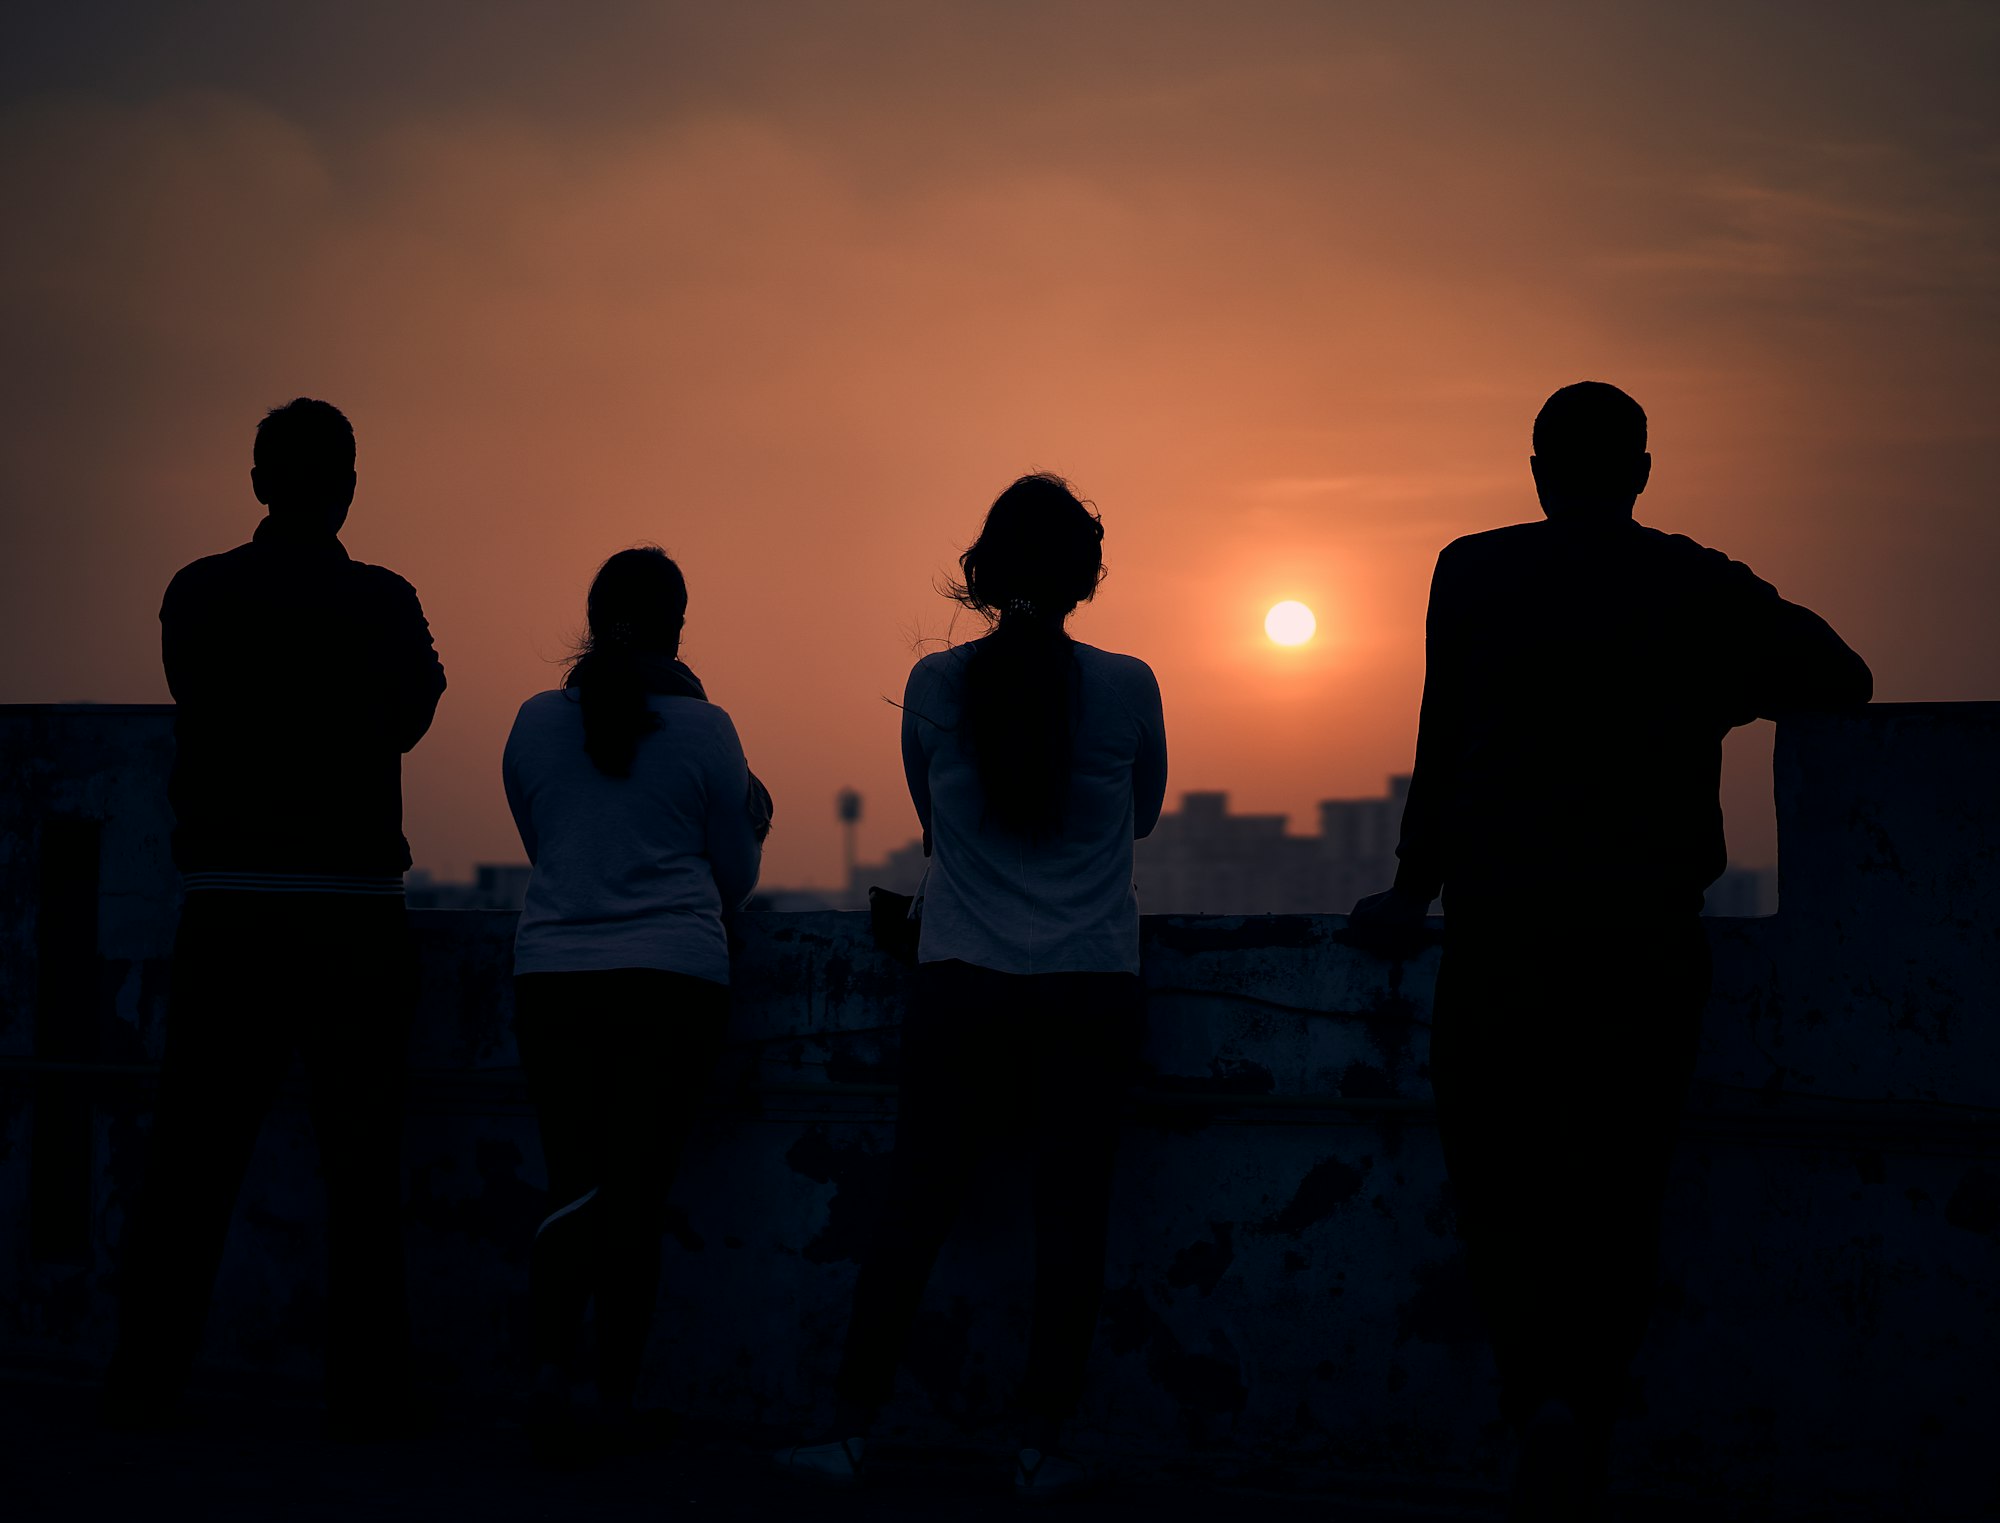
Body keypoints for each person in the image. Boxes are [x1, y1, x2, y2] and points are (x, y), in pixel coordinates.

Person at [1352, 382, 1872, 1519]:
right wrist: (1695, 694)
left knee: (1499, 1180)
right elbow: (1840, 676)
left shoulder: (1472, 571)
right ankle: (1577, 1414)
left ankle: (1534, 1395)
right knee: (1618, 1189)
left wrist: (1407, 887)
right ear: (1640, 472)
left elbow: (1439, 741)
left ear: (1536, 470)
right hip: (1642, 937)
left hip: (1498, 932)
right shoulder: (1694, 584)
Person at [776, 473, 1168, 1501]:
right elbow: (1141, 820)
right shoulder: (1129, 685)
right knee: (1070, 1217)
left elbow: (937, 826)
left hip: (961, 984)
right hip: (1089, 985)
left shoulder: (936, 686)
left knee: (914, 1209)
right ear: (1085, 577)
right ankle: (1039, 1446)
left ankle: (853, 1430)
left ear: (980, 574)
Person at [104, 397, 446, 1436]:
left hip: (230, 912)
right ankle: (369, 1403)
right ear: (347, 485)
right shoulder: (385, 603)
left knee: (192, 1167)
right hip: (353, 918)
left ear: (259, 482)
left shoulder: (197, 593)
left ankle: (143, 1389)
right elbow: (412, 717)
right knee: (362, 1173)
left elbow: (194, 694)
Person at [501, 546, 769, 1464]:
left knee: (572, 1179)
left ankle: (545, 1375)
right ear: (677, 626)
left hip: (554, 978)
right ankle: (613, 1398)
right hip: (672, 981)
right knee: (637, 1191)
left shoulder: (534, 724)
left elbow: (548, 843)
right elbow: (734, 879)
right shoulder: (707, 731)